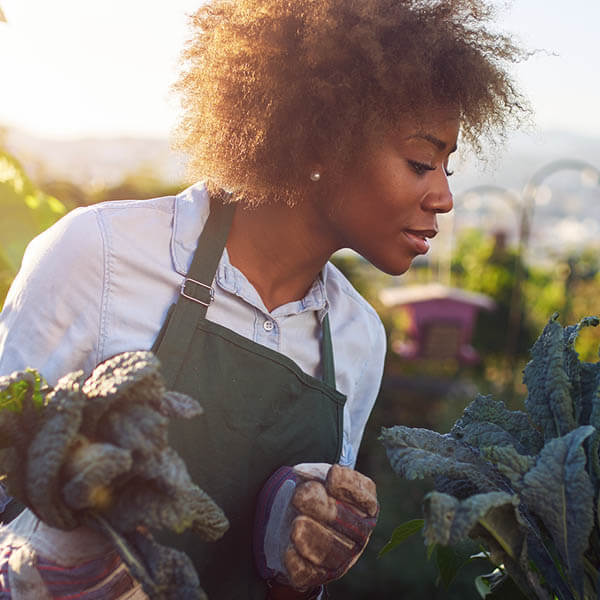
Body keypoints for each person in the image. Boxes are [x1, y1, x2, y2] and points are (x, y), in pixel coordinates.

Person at [0, 0, 527, 598]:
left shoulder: (357, 341)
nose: (443, 197)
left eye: (447, 168)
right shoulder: (99, 255)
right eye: (420, 162)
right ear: (320, 142)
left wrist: (299, 553)